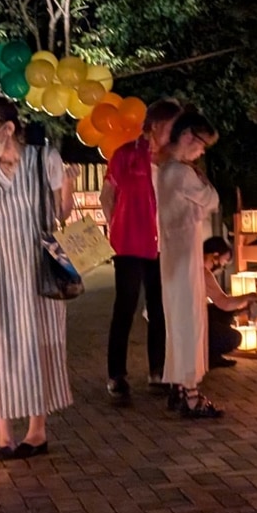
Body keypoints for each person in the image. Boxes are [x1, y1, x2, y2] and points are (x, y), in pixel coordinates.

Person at [0, 97, 73, 460]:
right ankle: (2, 432)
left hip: (37, 267)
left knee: (35, 342)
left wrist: (68, 188)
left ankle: (36, 431)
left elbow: (60, 212)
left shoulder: (44, 160)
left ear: (9, 128)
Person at [102, 99, 182, 403]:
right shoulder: (126, 155)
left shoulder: (174, 159)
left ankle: (158, 371)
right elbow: (107, 195)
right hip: (130, 244)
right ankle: (116, 375)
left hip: (164, 244)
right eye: (173, 127)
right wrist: (116, 226)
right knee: (125, 306)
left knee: (160, 307)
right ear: (157, 126)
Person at [154, 110, 223, 418]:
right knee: (189, 322)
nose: (201, 151)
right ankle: (191, 393)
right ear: (187, 137)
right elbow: (212, 199)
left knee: (179, 322)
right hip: (183, 256)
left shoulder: (166, 169)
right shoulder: (181, 173)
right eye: (200, 144)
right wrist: (204, 183)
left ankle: (181, 387)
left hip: (174, 255)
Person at [201, 236, 250, 368]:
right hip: (193, 325)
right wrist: (248, 297)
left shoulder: (197, 268)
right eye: (225, 260)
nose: (224, 265)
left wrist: (239, 307)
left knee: (226, 313)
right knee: (234, 337)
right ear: (215, 255)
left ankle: (213, 355)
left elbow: (223, 304)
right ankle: (209, 354)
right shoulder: (203, 273)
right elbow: (224, 302)